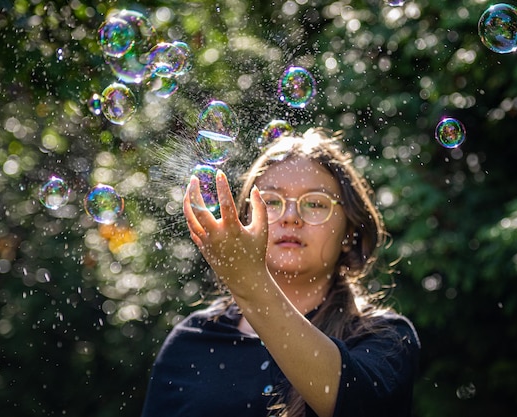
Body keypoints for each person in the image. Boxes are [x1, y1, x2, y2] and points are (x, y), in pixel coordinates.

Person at [140, 127, 420, 417]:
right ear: (246, 218)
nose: (291, 217)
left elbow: (354, 407)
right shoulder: (192, 340)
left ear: (350, 230)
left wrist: (250, 283)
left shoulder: (384, 338)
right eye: (271, 201)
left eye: (315, 204)